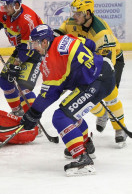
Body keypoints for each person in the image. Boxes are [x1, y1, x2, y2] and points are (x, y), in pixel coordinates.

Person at [20, 24, 116, 176]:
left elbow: (49, 93)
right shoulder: (63, 38)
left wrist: (33, 113)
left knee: (60, 117)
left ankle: (83, 159)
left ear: (45, 42)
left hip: (97, 81)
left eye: (36, 43)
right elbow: (89, 44)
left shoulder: (52, 60)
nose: (34, 47)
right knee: (68, 110)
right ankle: (86, 145)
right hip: (101, 69)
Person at [55, 0, 127, 148]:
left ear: (88, 13)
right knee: (86, 94)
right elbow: (61, 30)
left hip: (110, 61)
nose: (74, 17)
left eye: (78, 13)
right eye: (73, 13)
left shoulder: (101, 34)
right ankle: (102, 114)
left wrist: (98, 81)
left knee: (109, 93)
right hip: (86, 61)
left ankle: (120, 128)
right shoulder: (74, 22)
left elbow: (108, 63)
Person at [0, 0, 43, 117]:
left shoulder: (27, 20)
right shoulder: (4, 11)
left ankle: (33, 121)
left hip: (36, 51)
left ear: (16, 5)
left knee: (23, 87)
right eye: (2, 4)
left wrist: (16, 65)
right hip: (22, 48)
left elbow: (30, 47)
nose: (3, 8)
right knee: (5, 81)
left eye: (6, 5)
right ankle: (19, 112)